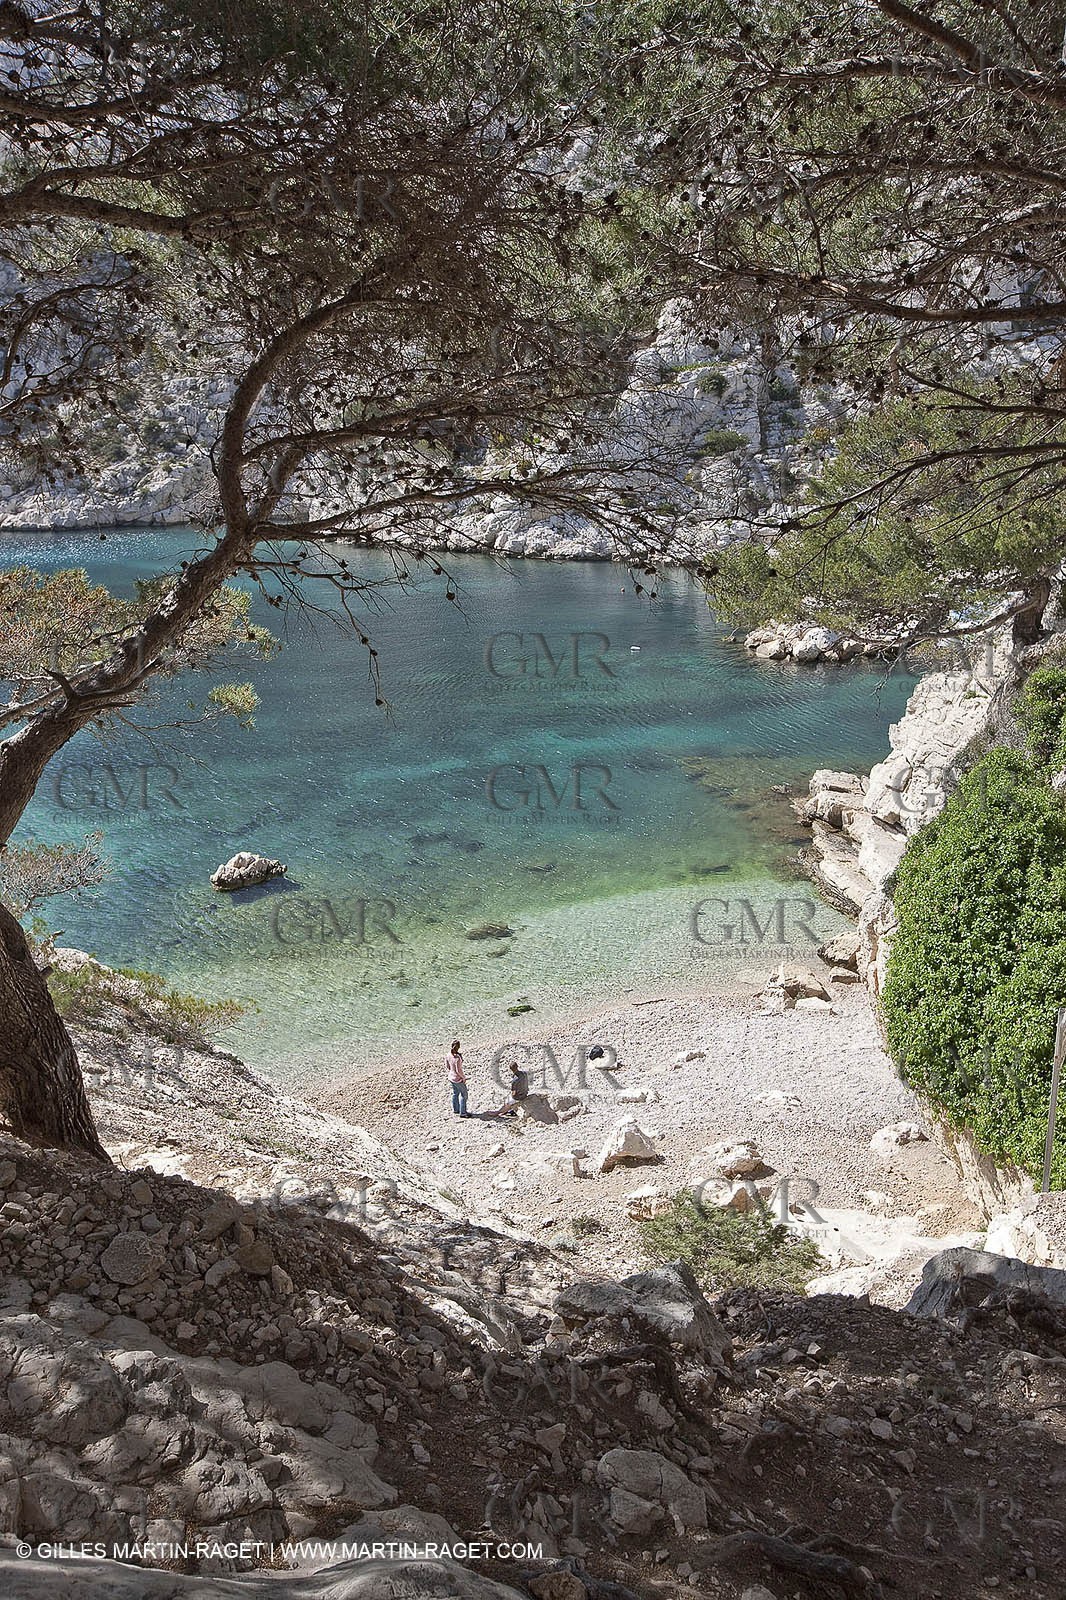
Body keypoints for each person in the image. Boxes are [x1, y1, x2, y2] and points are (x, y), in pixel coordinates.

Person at [447, 1040, 468, 1117]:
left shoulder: (448, 1054)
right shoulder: (457, 1058)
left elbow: (448, 1066)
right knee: (464, 1095)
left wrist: (452, 1072)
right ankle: (463, 1113)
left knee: (455, 1093)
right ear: (459, 1047)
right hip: (457, 1079)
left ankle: (456, 1109)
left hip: (451, 1077)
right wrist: (464, 1078)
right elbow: (458, 1070)